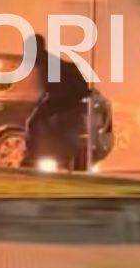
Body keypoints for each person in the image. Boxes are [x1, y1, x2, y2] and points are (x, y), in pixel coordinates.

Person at [24, 34, 91, 169]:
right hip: (70, 101)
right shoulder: (47, 62)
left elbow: (56, 91)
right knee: (46, 124)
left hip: (68, 102)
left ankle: (33, 156)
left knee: (36, 122)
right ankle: (53, 156)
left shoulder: (48, 64)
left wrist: (44, 104)